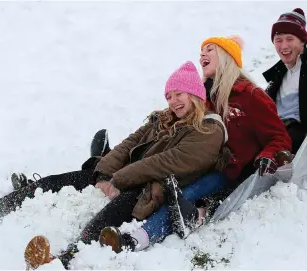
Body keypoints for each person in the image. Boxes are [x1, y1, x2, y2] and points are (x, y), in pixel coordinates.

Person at [0, 61, 227, 270]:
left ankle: (59, 263)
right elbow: (128, 144)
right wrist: (103, 173)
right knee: (52, 183)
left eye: (179, 94)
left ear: (195, 95)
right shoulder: (162, 120)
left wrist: (118, 180)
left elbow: (168, 162)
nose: (173, 101)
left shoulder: (208, 131)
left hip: (149, 192)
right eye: (169, 95)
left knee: (103, 220)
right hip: (124, 178)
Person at [97, 35, 293, 255]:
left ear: (227, 57)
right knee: (158, 183)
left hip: (229, 171)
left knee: (188, 193)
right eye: (201, 51)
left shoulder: (251, 96)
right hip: (197, 163)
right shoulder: (203, 98)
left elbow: (279, 136)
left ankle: (136, 239)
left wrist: (266, 156)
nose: (202, 54)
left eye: (210, 50)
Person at [263, 8, 307, 154]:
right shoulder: (278, 75)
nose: (284, 46)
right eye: (278, 40)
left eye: (290, 39)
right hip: (274, 133)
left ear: (302, 42)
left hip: (297, 135)